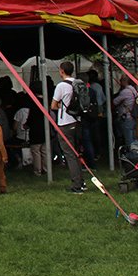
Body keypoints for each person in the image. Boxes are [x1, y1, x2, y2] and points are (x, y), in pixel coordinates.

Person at [51, 61, 86, 194]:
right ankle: (81, 182)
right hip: (77, 121)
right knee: (76, 153)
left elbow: (53, 105)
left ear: (61, 71)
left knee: (70, 155)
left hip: (65, 123)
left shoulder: (61, 86)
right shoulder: (79, 83)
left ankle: (76, 185)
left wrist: (61, 106)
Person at [113, 74, 138, 148]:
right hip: (133, 116)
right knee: (134, 137)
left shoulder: (125, 92)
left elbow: (115, 102)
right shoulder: (134, 90)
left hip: (126, 117)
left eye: (121, 80)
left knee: (129, 139)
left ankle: (131, 154)